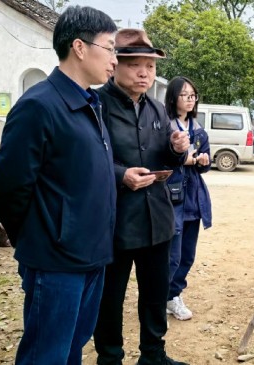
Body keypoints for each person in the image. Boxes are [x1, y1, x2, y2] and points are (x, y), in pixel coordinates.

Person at [0, 6, 118, 363]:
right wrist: (38, 237)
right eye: (110, 48)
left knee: (72, 347)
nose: (114, 60)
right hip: (56, 260)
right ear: (80, 47)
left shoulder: (91, 103)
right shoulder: (40, 105)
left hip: (92, 254)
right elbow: (9, 184)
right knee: (46, 354)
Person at [92, 29, 190, 365]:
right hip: (116, 220)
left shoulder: (156, 109)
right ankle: (110, 356)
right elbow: (88, 160)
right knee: (110, 296)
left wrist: (178, 150)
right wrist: (121, 175)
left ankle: (153, 353)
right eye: (136, 65)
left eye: (150, 65)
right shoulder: (97, 105)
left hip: (156, 217)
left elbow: (167, 158)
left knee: (154, 292)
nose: (145, 72)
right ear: (115, 64)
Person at [164, 77, 213, 321]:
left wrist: (203, 161)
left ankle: (174, 294)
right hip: (172, 197)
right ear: (173, 98)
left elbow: (206, 163)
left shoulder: (199, 130)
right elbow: (164, 159)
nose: (191, 99)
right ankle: (167, 296)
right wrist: (190, 159)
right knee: (171, 254)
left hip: (193, 196)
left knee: (187, 254)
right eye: (185, 95)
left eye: (193, 95)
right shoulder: (165, 126)